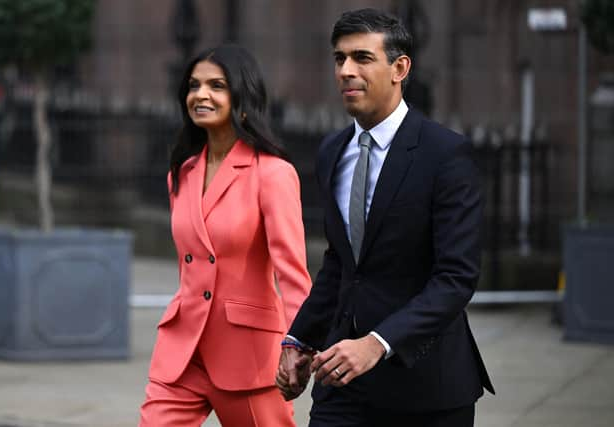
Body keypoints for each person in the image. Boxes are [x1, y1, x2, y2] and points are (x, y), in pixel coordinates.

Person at [276, 8, 494, 427]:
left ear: (400, 68)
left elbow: (455, 278)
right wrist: (299, 338)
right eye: (339, 58)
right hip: (341, 386)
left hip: (426, 388)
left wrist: (377, 343)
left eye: (362, 58)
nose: (345, 70)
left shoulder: (445, 155)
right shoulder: (331, 152)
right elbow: (341, 263)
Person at [139, 44, 311, 427]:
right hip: (183, 351)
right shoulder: (180, 175)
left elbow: (292, 272)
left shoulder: (273, 173)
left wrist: (297, 343)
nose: (201, 94)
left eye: (217, 85)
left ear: (242, 96)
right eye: (194, 85)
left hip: (247, 356)